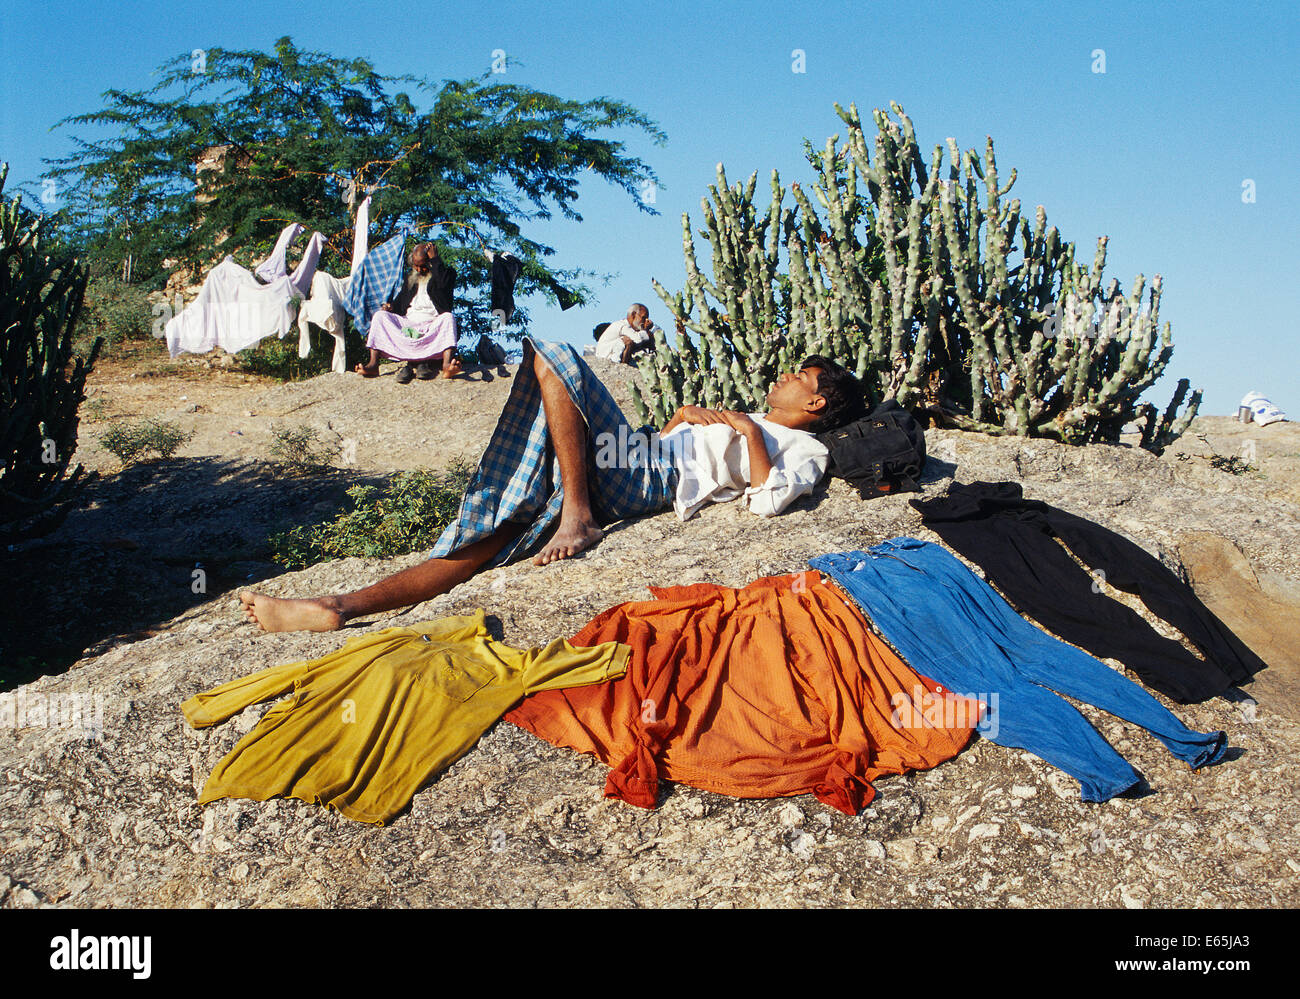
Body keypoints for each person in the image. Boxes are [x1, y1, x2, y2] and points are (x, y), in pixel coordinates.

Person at [240, 339, 865, 633]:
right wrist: (683, 421)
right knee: (490, 540)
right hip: (641, 451)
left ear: (815, 402)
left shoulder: (806, 447)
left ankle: (579, 517)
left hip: (648, 477)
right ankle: (339, 607)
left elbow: (768, 503)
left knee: (554, 355)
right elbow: (697, 445)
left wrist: (743, 432)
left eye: (796, 375)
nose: (781, 376)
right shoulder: (758, 419)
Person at [355, 242, 463, 382]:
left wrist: (435, 260)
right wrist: (391, 307)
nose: (418, 269)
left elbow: (443, 287)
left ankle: (447, 365)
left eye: (422, 265)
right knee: (380, 316)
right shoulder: (410, 279)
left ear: (430, 262)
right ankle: (374, 364)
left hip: (432, 326)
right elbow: (400, 305)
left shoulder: (446, 274)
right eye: (415, 266)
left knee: (448, 318)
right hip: (409, 325)